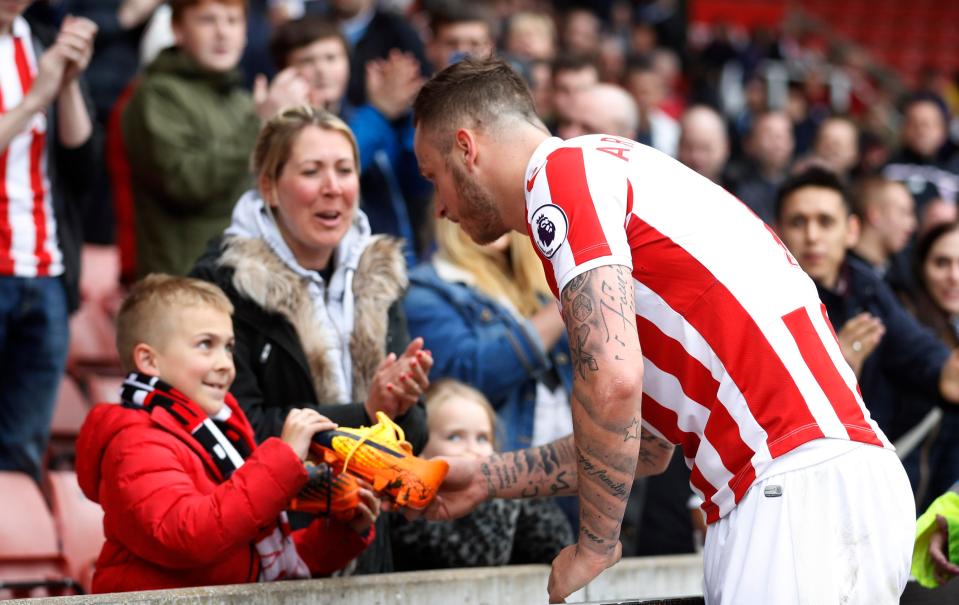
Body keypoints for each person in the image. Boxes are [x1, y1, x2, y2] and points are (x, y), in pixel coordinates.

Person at [411, 57, 914, 604]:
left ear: (466, 147)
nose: (439, 207)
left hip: (789, 487)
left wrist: (595, 544)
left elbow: (612, 381)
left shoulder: (559, 176)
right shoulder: (614, 171)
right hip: (833, 478)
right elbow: (645, 445)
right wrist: (490, 478)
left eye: (433, 176)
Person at [190, 106, 430, 574]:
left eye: (344, 170)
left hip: (366, 542)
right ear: (268, 187)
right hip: (273, 548)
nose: (332, 187)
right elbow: (235, 428)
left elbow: (412, 439)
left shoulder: (381, 278)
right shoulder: (221, 285)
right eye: (311, 171)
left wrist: (399, 410)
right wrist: (363, 415)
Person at [75, 274, 377, 592]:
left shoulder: (218, 431)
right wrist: (281, 462)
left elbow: (255, 563)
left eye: (229, 347)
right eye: (206, 345)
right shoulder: (136, 442)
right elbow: (190, 536)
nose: (226, 365)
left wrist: (344, 532)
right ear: (149, 360)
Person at [122, 0, 308, 277]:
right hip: (184, 285)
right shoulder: (157, 95)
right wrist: (260, 124)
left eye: (233, 21)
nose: (223, 32)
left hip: (247, 278)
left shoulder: (243, 101)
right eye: (208, 20)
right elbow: (185, 182)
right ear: (178, 29)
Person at [775, 167, 959, 439]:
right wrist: (833, 370)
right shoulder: (762, 301)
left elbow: (916, 349)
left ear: (851, 230)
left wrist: (946, 371)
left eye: (825, 222)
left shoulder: (867, 287)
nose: (812, 236)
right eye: (798, 222)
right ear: (776, 232)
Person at [0, 9, 97, 480]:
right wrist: (35, 99)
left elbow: (81, 163)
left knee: (23, 449)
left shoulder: (40, 42)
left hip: (44, 271)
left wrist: (69, 82)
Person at [404, 218, 571, 452]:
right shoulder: (426, 290)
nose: (494, 210)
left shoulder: (543, 284)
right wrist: (566, 302)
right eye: (483, 196)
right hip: (503, 471)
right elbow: (466, 378)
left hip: (574, 467)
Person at [390, 379, 573, 569]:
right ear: (419, 447)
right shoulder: (408, 510)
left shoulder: (505, 501)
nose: (473, 450)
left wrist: (515, 487)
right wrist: (498, 494)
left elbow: (557, 545)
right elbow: (481, 558)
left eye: (482, 438)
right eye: (455, 437)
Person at [899, 222, 959, 509]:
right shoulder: (901, 333)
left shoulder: (951, 330)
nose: (954, 277)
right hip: (905, 507)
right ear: (921, 267)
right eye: (941, 263)